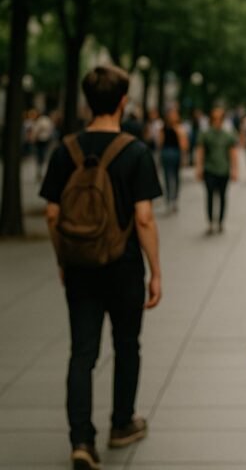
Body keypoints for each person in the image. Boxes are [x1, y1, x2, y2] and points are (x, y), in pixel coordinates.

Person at [39, 66, 162, 470]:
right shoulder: (136, 152)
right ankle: (122, 423)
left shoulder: (65, 150)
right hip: (123, 266)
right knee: (127, 345)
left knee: (82, 352)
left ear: (86, 102)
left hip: (80, 268)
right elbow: (144, 217)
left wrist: (63, 259)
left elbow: (53, 213)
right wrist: (155, 271)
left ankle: (81, 440)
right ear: (123, 102)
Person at [196, 107, 238, 235]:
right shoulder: (205, 134)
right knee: (209, 196)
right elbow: (200, 151)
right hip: (209, 169)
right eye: (215, 118)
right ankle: (210, 222)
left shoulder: (227, 135)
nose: (217, 121)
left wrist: (235, 169)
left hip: (223, 170)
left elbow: (232, 153)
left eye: (220, 118)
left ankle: (220, 222)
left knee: (222, 197)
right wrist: (199, 167)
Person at [157, 107, 189, 213]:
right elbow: (160, 142)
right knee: (169, 177)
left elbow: (183, 143)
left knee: (173, 177)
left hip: (173, 152)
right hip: (169, 153)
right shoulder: (166, 128)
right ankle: (170, 200)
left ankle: (172, 199)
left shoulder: (178, 128)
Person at [29, 109, 56, 181]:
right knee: (42, 154)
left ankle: (40, 170)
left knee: (40, 155)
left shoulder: (41, 120)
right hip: (45, 139)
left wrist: (34, 137)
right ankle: (40, 169)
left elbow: (38, 130)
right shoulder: (47, 120)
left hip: (41, 140)